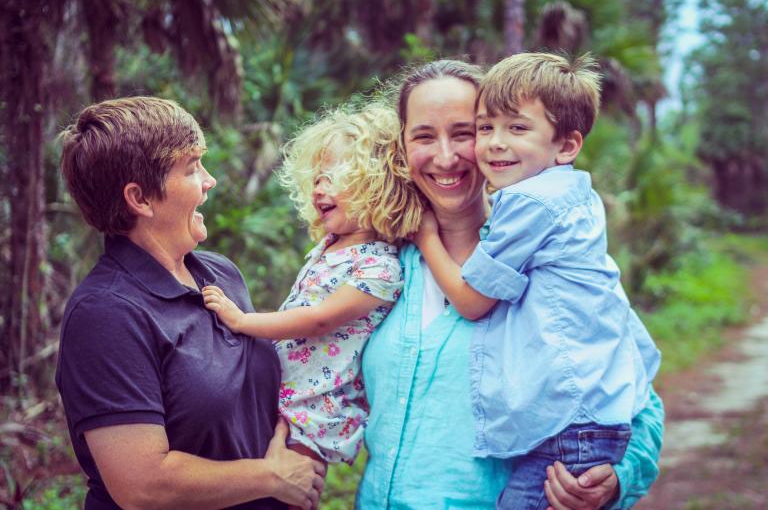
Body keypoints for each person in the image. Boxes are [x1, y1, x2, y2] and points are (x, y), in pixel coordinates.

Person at [357, 60, 665, 509]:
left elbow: (639, 406)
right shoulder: (375, 268)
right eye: (424, 136)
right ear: (402, 146)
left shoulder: (559, 270)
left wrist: (615, 480)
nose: (445, 156)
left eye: (463, 133)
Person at [56, 96, 325, 510]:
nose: (209, 180)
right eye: (192, 167)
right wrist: (272, 477)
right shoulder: (104, 313)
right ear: (140, 199)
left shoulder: (220, 273)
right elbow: (142, 485)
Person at [202, 103, 422, 467]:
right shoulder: (329, 246)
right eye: (318, 177)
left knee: (293, 486)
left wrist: (242, 321)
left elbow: (319, 318)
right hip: (286, 396)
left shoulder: (380, 267)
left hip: (319, 411)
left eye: (335, 177)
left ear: (377, 186)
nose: (321, 188)